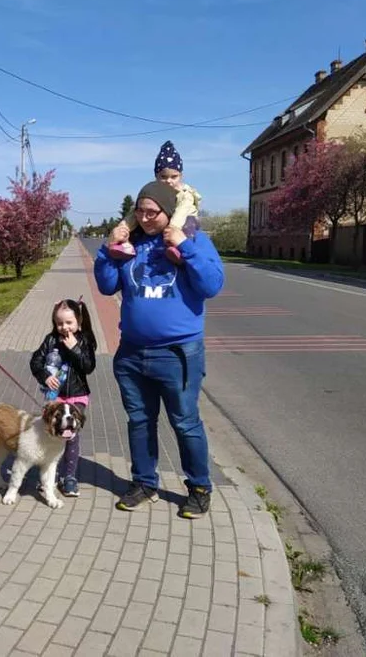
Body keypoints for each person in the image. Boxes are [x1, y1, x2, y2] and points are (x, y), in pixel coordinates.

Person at [94, 180, 224, 518]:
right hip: (132, 353)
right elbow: (107, 286)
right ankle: (144, 483)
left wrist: (184, 245)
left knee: (184, 422)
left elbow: (212, 284)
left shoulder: (192, 237)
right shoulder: (131, 243)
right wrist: (108, 249)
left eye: (153, 212)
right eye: (141, 211)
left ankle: (198, 487)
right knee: (139, 421)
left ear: (169, 211)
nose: (147, 218)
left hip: (178, 354)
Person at [29, 298, 97, 497]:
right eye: (60, 323)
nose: (64, 327)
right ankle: (50, 475)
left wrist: (75, 348)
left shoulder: (84, 341)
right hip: (55, 397)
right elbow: (35, 361)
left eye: (69, 323)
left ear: (79, 322)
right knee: (51, 434)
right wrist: (45, 376)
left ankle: (69, 477)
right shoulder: (50, 340)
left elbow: (88, 367)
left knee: (70, 436)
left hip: (77, 396)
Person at [108, 140, 203, 262]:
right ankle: (124, 243)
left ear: (181, 176)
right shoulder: (154, 192)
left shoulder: (185, 193)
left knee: (189, 227)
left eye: (174, 177)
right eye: (163, 177)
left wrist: (173, 227)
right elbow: (135, 212)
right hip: (171, 224)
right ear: (156, 177)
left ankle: (178, 250)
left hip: (185, 220)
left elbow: (182, 211)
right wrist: (123, 226)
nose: (169, 181)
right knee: (140, 213)